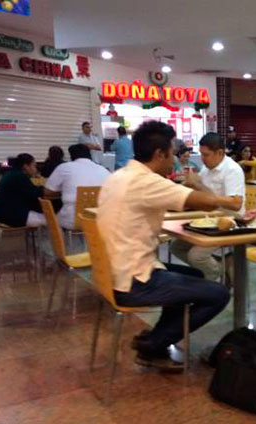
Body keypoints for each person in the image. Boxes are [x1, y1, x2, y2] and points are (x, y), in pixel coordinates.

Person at [97, 121, 239, 369]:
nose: (174, 159)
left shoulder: (119, 177)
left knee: (193, 274)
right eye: (171, 153)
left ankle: (157, 339)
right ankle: (153, 344)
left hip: (113, 272)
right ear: (159, 154)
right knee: (219, 294)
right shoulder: (147, 182)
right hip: (134, 280)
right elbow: (199, 202)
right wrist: (231, 201)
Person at [170, 133, 245, 281]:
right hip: (210, 218)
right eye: (201, 154)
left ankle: (214, 274)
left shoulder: (232, 170)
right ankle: (221, 266)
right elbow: (204, 195)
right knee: (176, 248)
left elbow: (236, 204)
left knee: (196, 256)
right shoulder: (206, 169)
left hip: (230, 221)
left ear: (220, 153)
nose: (203, 159)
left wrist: (199, 187)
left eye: (206, 155)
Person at [44, 144, 110, 230]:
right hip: (100, 218)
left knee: (56, 217)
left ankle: (62, 242)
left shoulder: (65, 167)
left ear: (71, 156)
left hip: (73, 220)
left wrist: (65, 191)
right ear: (89, 155)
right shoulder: (104, 170)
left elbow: (47, 192)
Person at [0, 153, 45, 227]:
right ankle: (58, 238)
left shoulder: (10, 173)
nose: (36, 169)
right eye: (34, 166)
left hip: (2, 214)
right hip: (12, 216)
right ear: (26, 166)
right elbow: (35, 194)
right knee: (52, 219)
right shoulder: (20, 177)